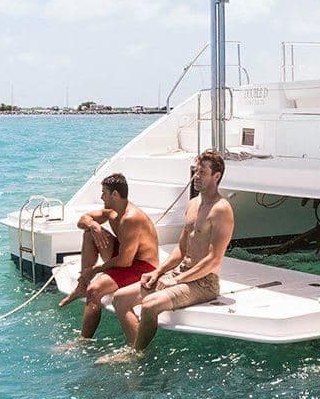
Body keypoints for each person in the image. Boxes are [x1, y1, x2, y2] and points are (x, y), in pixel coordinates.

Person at [98, 150, 234, 363]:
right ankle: (138, 348)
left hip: (204, 283)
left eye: (202, 172)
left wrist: (177, 280)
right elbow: (181, 249)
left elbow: (214, 259)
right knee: (120, 299)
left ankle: (135, 356)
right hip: (180, 274)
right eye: (195, 171)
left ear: (216, 176)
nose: (196, 176)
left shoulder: (221, 210)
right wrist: (158, 272)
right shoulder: (193, 204)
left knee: (150, 305)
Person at [58, 173, 161, 340]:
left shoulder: (130, 218)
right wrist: (93, 225)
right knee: (89, 233)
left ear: (115, 195)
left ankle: (83, 341)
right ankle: (81, 285)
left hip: (142, 266)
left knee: (95, 290)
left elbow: (125, 261)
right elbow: (82, 220)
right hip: (125, 257)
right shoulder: (112, 212)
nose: (101, 196)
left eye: (104, 193)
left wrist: (94, 270)